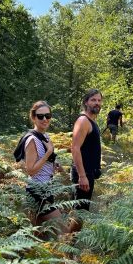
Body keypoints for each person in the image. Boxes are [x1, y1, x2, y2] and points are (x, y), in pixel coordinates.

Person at [23, 100, 66, 230]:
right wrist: (48, 153)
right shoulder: (32, 140)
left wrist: (55, 165)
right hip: (38, 192)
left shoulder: (45, 135)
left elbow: (42, 162)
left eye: (48, 116)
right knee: (65, 230)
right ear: (33, 117)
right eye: (40, 116)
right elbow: (30, 171)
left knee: (38, 233)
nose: (45, 119)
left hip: (46, 189)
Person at [70, 89, 103, 225]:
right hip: (82, 174)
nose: (97, 103)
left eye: (99, 100)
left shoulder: (91, 121)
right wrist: (82, 176)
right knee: (79, 214)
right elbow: (75, 148)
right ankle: (67, 243)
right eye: (93, 100)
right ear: (86, 102)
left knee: (80, 212)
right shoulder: (83, 121)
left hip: (88, 173)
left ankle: (68, 242)